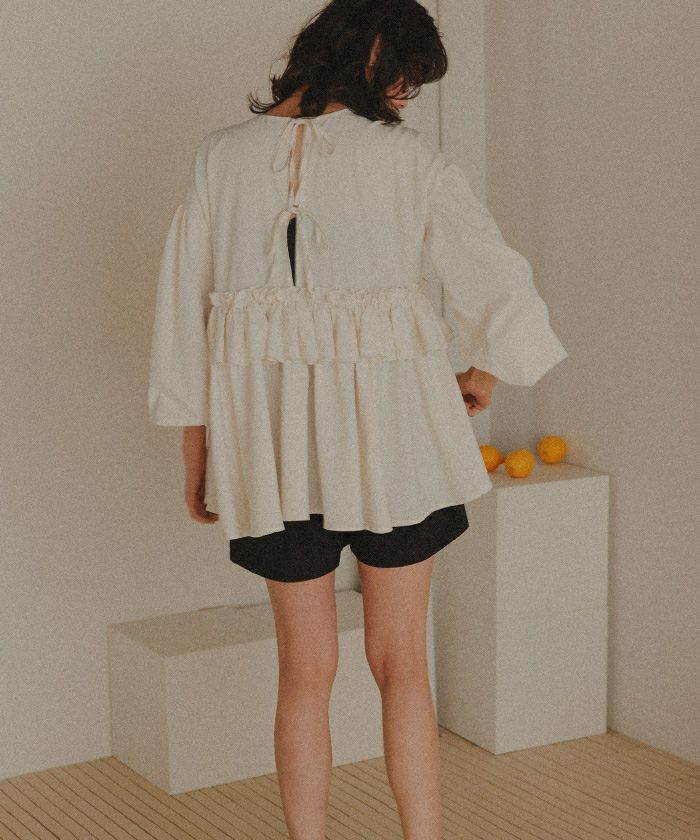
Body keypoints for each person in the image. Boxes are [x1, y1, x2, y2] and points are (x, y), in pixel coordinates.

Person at [147, 1, 568, 837]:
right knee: (403, 665)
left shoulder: (220, 157)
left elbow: (183, 317)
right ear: (375, 56)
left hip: (270, 454)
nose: (406, 99)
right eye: (407, 78)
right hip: (396, 447)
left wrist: (198, 453)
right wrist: (483, 373)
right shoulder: (409, 160)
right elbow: (501, 281)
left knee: (303, 670)